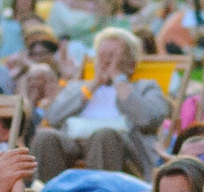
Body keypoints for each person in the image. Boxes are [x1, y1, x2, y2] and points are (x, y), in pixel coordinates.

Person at [31, 28, 168, 177]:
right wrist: (94, 83)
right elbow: (53, 116)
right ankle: (48, 191)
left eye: (113, 56)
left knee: (104, 136)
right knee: (45, 137)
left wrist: (118, 78)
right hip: (73, 142)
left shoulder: (145, 87)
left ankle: (100, 191)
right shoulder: (79, 87)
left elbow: (147, 119)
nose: (107, 62)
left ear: (132, 63)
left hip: (120, 146)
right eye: (102, 56)